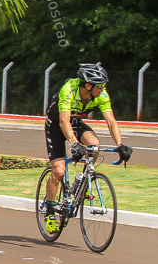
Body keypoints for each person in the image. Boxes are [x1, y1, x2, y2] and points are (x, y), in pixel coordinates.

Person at [42, 62, 131, 233]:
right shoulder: (69, 89)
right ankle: (50, 211)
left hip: (75, 124)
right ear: (88, 85)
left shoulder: (101, 95)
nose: (103, 89)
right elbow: (63, 121)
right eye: (100, 86)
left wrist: (119, 144)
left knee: (94, 145)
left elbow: (111, 122)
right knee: (59, 171)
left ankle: (82, 181)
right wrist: (75, 144)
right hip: (56, 125)